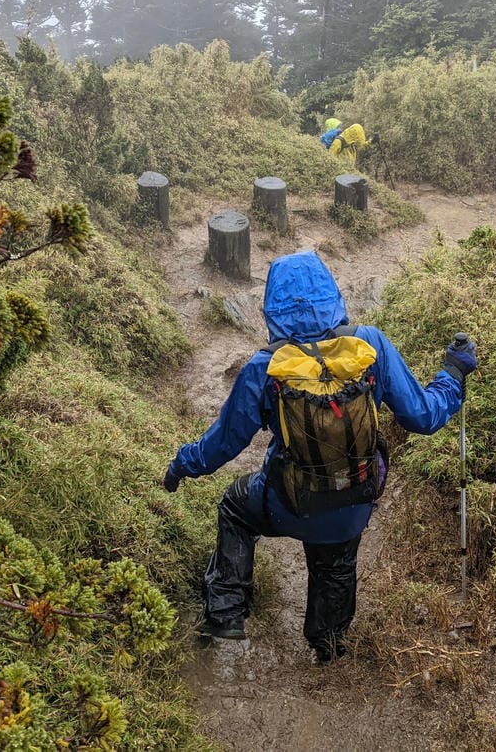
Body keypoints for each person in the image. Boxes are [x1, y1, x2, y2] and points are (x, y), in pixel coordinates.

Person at [161, 250, 476, 663]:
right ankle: (327, 648)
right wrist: (452, 374)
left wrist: (181, 465)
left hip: (286, 501)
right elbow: (424, 416)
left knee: (236, 509)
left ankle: (226, 618)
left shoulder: (265, 367)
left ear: (271, 306)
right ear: (332, 293)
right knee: (336, 562)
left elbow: (223, 445)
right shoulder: (371, 346)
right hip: (353, 500)